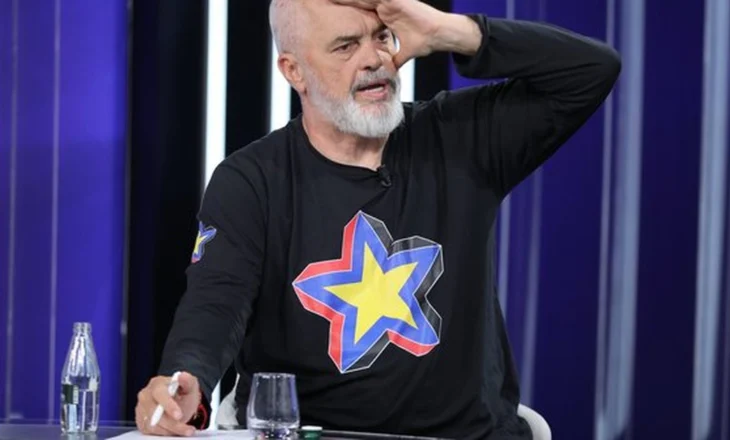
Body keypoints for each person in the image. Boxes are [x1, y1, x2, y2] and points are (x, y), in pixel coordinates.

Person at [134, 0, 620, 438]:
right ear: (293, 70)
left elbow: (593, 70)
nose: (374, 59)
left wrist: (451, 31)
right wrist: (185, 380)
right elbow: (215, 305)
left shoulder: (462, 138)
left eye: (382, 36)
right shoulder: (252, 181)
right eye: (346, 46)